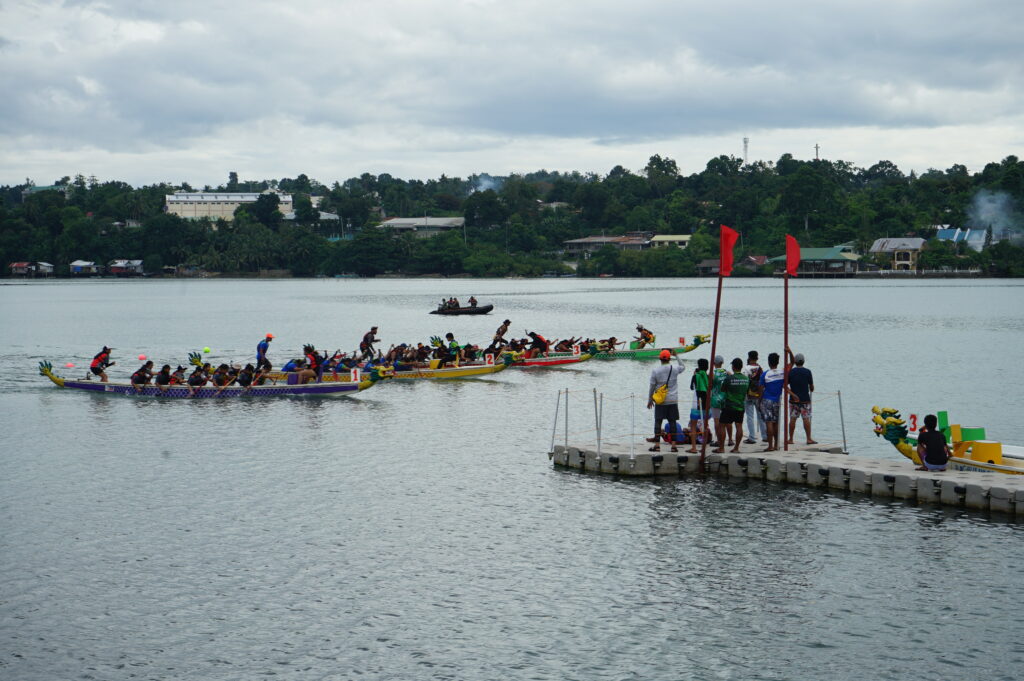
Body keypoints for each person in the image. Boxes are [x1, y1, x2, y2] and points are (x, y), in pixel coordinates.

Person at [646, 349, 683, 452]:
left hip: (660, 400)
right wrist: (677, 356)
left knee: (658, 421)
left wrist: (650, 399)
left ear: (660, 359)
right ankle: (674, 446)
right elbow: (683, 367)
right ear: (669, 358)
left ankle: (657, 445)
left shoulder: (656, 371)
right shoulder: (675, 369)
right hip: (673, 400)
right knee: (673, 422)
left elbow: (652, 386)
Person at [716, 358, 749, 453]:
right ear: (741, 367)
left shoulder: (729, 378)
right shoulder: (746, 379)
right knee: (739, 426)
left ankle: (721, 448)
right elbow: (747, 391)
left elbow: (723, 389)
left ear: (733, 367)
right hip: (740, 406)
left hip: (729, 406)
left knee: (722, 425)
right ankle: (736, 448)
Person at [786, 350, 816, 445]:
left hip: (793, 400)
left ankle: (790, 439)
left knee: (793, 419)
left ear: (795, 362)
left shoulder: (791, 372)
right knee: (806, 418)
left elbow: (786, 386)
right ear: (803, 361)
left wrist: (792, 394)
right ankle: (808, 439)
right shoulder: (807, 372)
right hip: (805, 400)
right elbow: (811, 387)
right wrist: (811, 388)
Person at [758, 352, 784, 451]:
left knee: (768, 423)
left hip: (767, 400)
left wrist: (760, 401)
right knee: (775, 423)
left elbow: (760, 389)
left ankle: (770, 446)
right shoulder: (782, 373)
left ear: (769, 362)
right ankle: (776, 444)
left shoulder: (765, 374)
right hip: (777, 400)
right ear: (778, 362)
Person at [687, 358, 710, 453]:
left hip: (697, 402)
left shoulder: (696, 376)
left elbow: (692, 387)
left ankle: (694, 448)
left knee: (693, 425)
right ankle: (703, 447)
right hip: (707, 402)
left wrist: (694, 375)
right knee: (705, 424)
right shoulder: (708, 376)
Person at [743, 350, 766, 444]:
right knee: (760, 416)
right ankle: (765, 436)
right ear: (757, 357)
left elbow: (744, 381)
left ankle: (752, 437)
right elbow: (763, 381)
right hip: (759, 395)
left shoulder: (746, 368)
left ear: (749, 357)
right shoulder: (760, 368)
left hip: (748, 395)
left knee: (750, 417)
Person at [709, 355, 730, 447]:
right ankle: (730, 440)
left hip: (715, 399)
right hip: (725, 398)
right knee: (728, 420)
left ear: (714, 363)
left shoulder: (712, 373)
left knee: (716, 421)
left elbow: (709, 386)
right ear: (722, 363)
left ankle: (719, 440)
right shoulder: (727, 372)